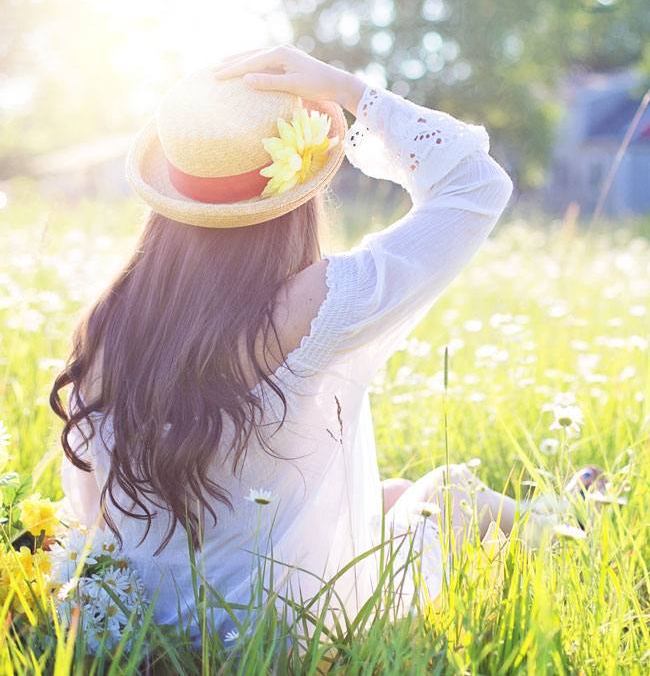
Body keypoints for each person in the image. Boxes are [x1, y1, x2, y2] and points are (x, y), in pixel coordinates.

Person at [51, 44, 604, 649]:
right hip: (283, 629)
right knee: (449, 493)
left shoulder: (109, 319)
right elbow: (476, 185)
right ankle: (562, 524)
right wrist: (351, 91)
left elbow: (91, 504)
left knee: (389, 495)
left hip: (140, 618)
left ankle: (555, 514)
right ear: (294, 196)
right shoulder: (310, 305)